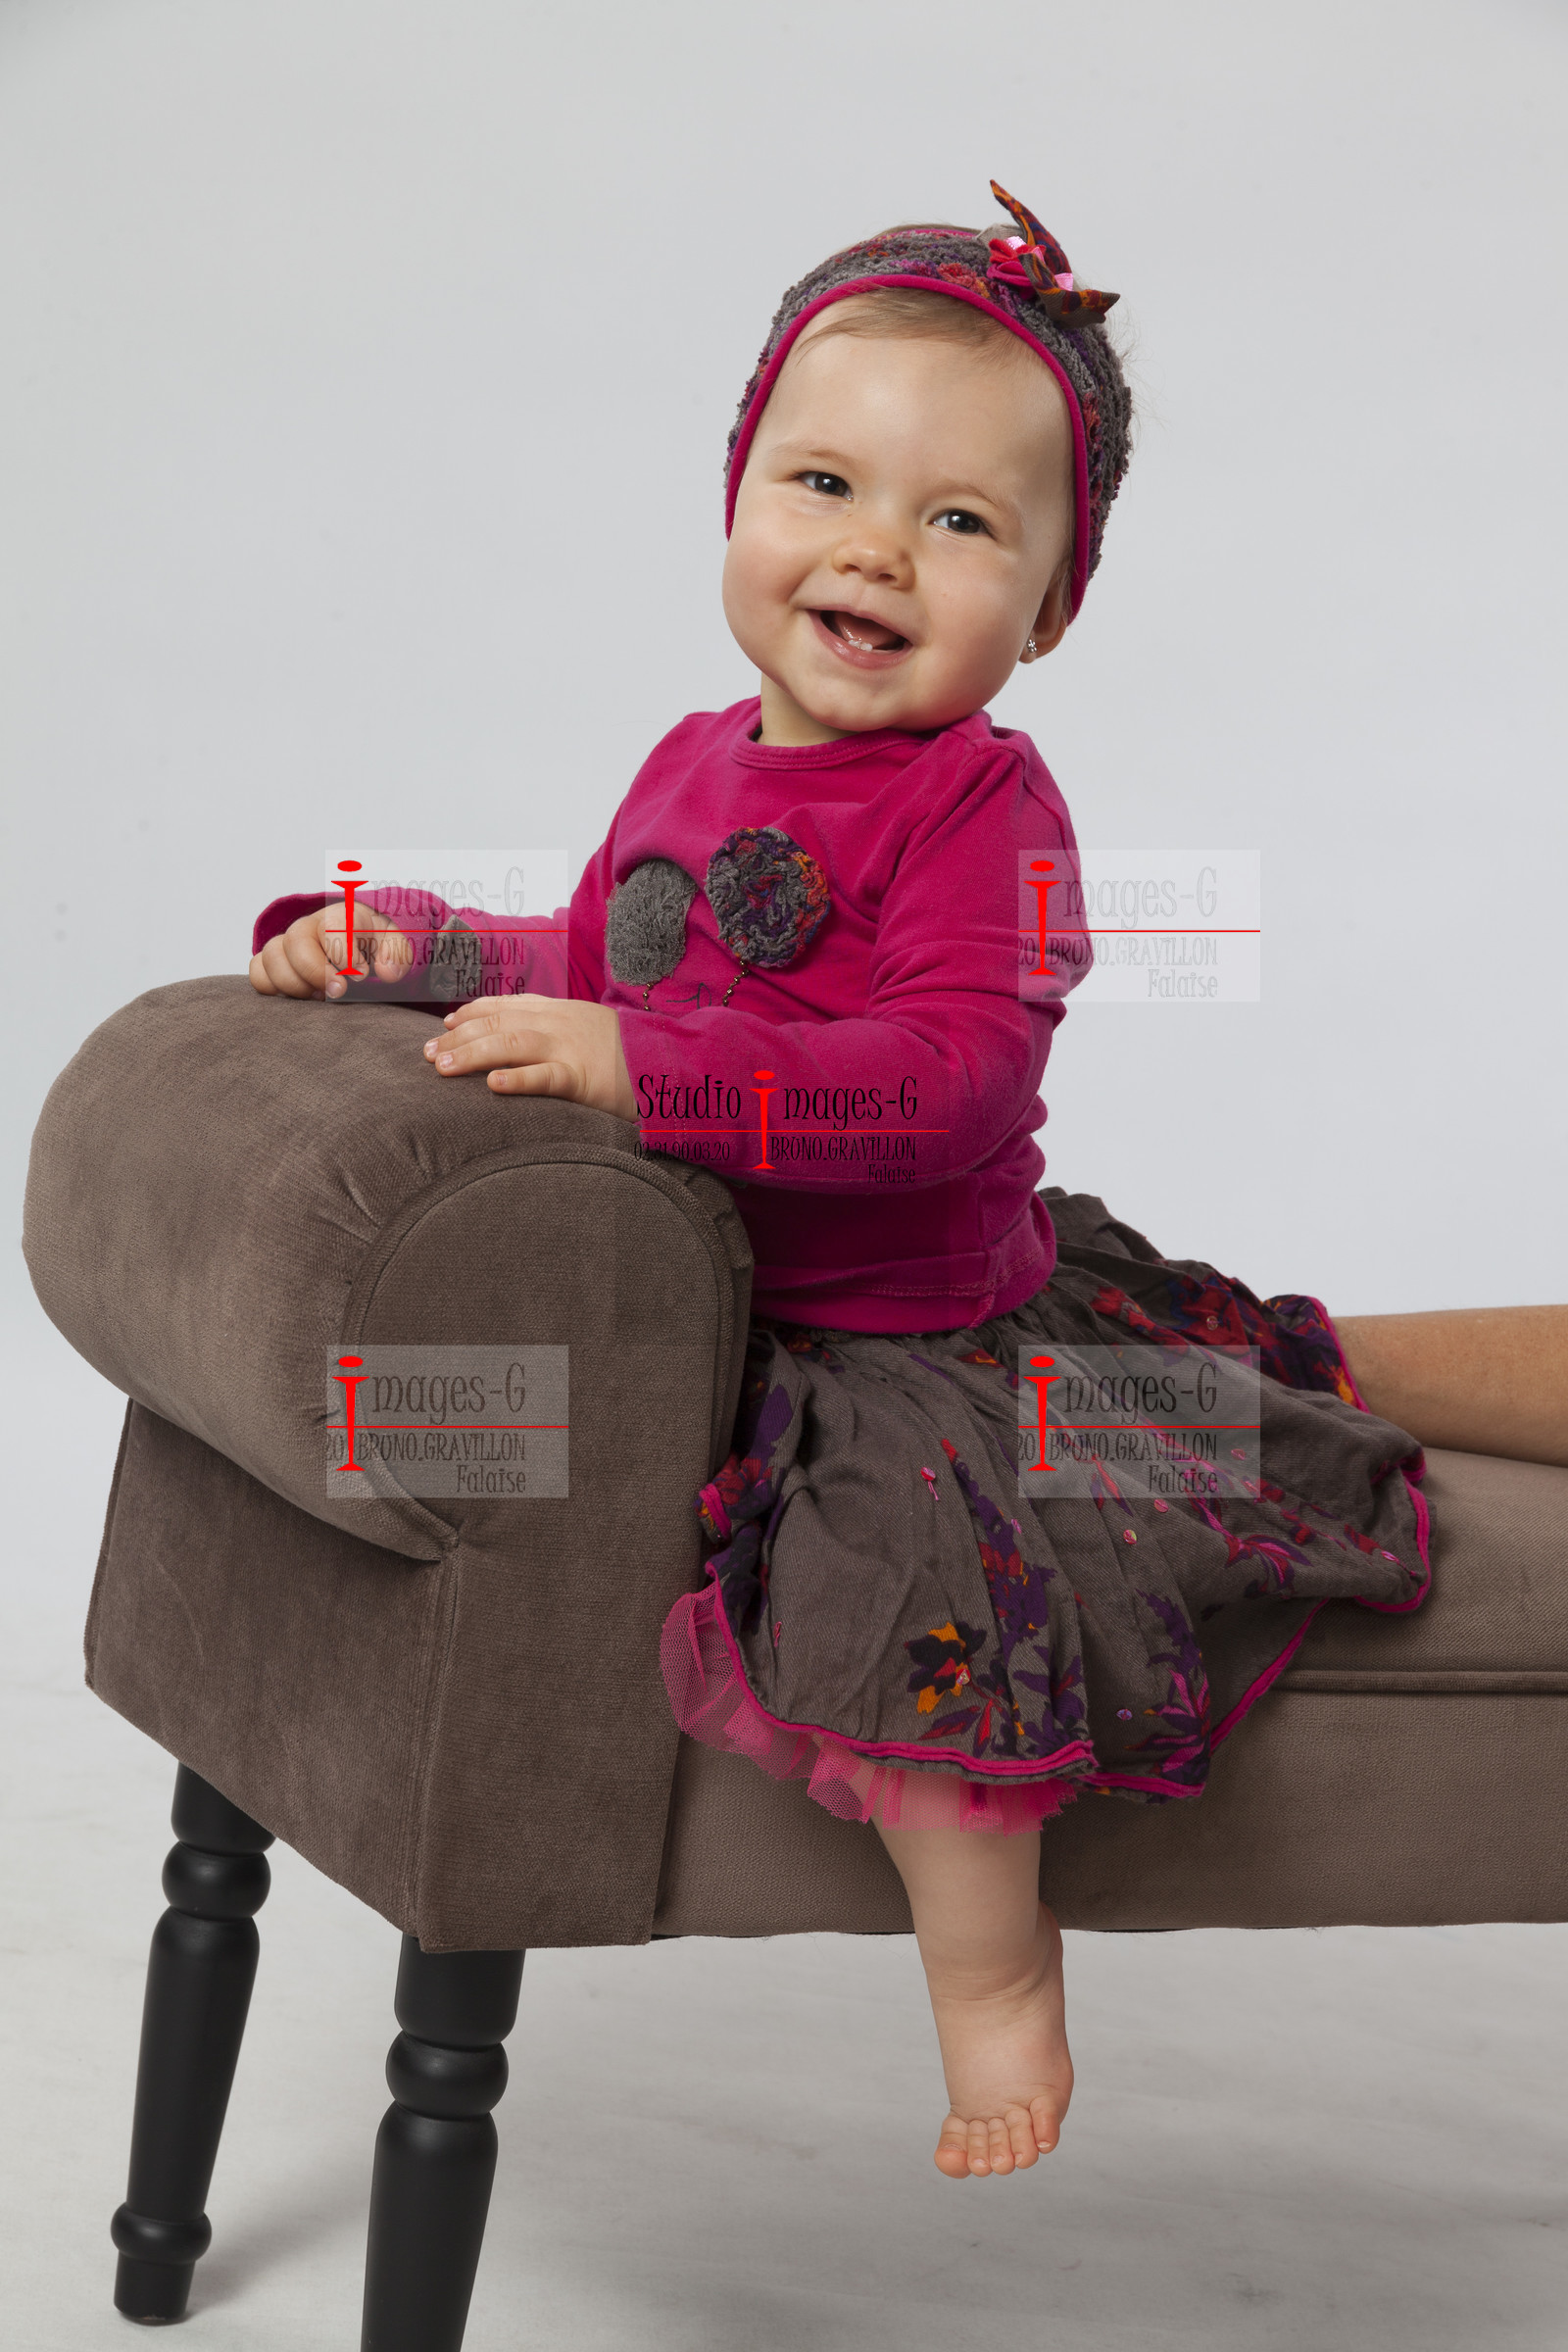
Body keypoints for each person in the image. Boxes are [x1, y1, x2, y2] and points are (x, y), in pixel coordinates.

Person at [248, 183, 1568, 2182]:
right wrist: (418, 942)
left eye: (959, 521)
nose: (875, 547)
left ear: (1049, 608)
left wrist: (646, 1067)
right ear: (735, 500)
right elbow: (595, 960)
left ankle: (994, 1972)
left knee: (924, 1593)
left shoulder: (990, 816)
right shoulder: (690, 758)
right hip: (724, 1306)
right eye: (825, 483)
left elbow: (944, 1091)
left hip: (911, 1341)